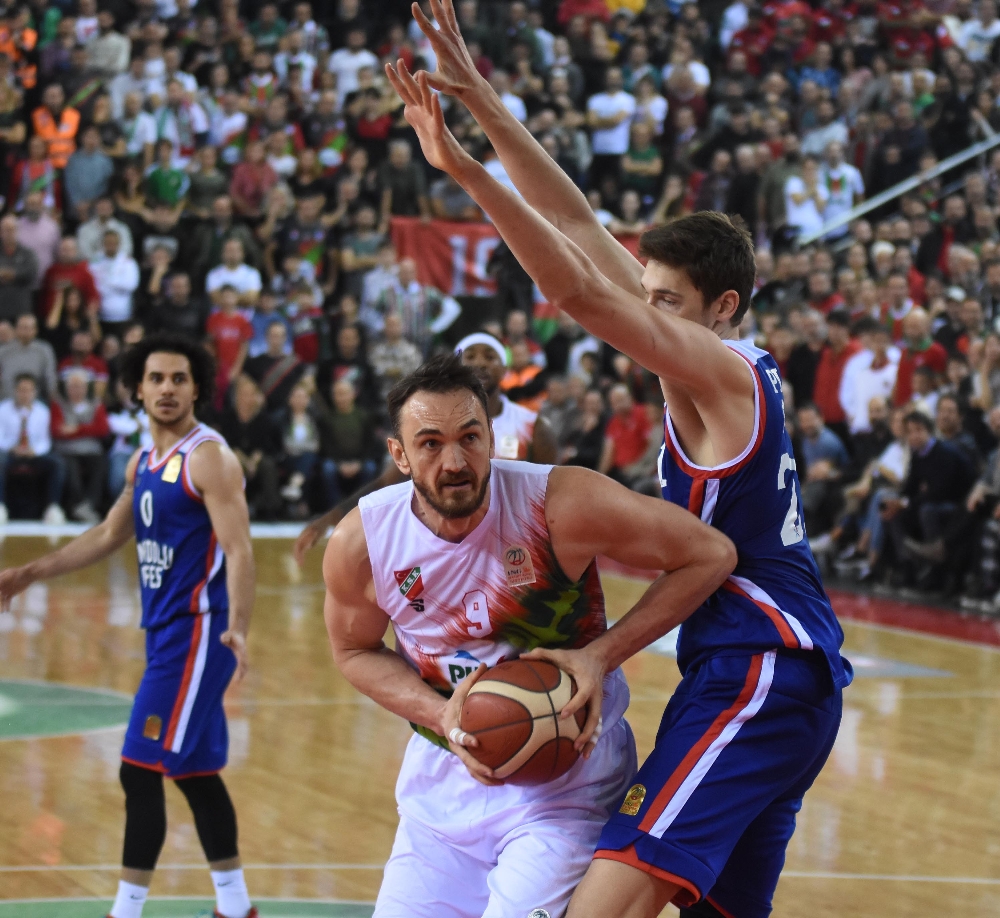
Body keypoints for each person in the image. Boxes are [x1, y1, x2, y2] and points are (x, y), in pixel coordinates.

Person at [386, 17, 851, 915]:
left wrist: (465, 172)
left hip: (763, 666)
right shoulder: (704, 357)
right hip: (762, 674)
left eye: (667, 304)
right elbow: (575, 224)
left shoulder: (720, 371)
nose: (649, 317)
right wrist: (486, 105)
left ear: (723, 309)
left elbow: (574, 288)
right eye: (649, 299)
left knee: (603, 902)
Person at [323, 354, 737, 918]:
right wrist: (438, 712)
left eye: (470, 437)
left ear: (493, 437)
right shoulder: (364, 542)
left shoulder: (558, 503)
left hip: (568, 781)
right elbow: (352, 650)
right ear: (399, 455)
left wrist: (602, 654)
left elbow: (708, 554)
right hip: (444, 781)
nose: (454, 461)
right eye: (430, 443)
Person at [0, 335, 257, 918]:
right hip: (166, 634)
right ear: (136, 389)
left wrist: (239, 627)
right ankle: (236, 907)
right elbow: (107, 534)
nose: (167, 389)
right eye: (156, 379)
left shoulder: (207, 458)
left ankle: (125, 911)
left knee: (137, 768)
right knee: (193, 771)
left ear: (197, 388)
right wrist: (29, 573)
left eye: (179, 379)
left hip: (200, 633)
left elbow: (240, 552)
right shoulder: (144, 462)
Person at [293, 332, 557, 563]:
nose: (480, 363)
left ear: (505, 367)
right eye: (471, 356)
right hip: (448, 549)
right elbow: (385, 482)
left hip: (514, 548)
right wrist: (330, 518)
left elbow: (551, 497)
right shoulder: (430, 424)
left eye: (490, 356)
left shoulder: (534, 426)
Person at [0, 373, 65, 525]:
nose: (25, 394)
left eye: (28, 390)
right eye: (22, 390)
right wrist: (12, 448)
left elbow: (45, 441)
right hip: (10, 454)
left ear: (35, 392)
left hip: (34, 454)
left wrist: (34, 451)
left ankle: (53, 508)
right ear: (15, 391)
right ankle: (1, 506)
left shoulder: (42, 411)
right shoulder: (3, 409)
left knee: (57, 463)